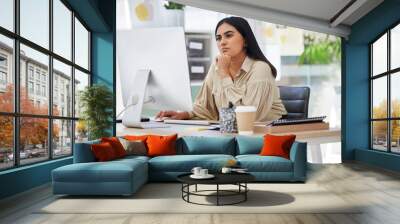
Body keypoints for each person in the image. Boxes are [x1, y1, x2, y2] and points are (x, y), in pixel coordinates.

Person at [156, 16, 287, 122]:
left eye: (228, 35)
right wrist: (184, 114)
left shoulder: (260, 69)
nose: (222, 42)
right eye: (218, 38)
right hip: (230, 131)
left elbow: (249, 117)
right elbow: (205, 108)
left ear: (246, 41)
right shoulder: (216, 66)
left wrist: (224, 75)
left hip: (269, 133)